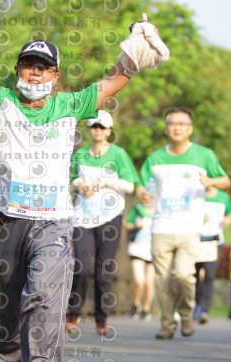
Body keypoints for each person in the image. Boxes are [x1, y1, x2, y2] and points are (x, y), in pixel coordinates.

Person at [0, 0, 169, 361]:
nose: (36, 71)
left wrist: (137, 47)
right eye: (29, 64)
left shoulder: (70, 105)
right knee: (11, 307)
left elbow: (114, 80)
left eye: (43, 66)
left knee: (43, 294)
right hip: (9, 222)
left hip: (53, 224)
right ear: (18, 70)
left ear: (55, 76)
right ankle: (8, 344)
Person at [136, 107, 231, 340]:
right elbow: (142, 185)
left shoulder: (204, 155)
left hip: (189, 227)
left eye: (182, 123)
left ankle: (186, 316)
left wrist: (210, 180)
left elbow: (226, 180)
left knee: (184, 275)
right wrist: (143, 195)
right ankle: (167, 325)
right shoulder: (155, 158)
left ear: (190, 129)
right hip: (161, 228)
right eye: (172, 123)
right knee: (164, 280)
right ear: (166, 128)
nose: (177, 127)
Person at [64, 110, 138, 334]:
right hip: (83, 217)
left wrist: (105, 182)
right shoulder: (80, 155)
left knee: (103, 270)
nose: (97, 130)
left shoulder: (119, 155)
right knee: (82, 267)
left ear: (109, 131)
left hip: (109, 217)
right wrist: (79, 184)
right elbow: (69, 180)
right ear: (89, 130)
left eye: (101, 127)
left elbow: (130, 185)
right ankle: (73, 314)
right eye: (94, 126)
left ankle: (101, 319)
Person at [193, 186, 231, 324]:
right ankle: (195, 305)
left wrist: (228, 219)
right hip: (195, 239)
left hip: (214, 242)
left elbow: (230, 213)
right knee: (194, 275)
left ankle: (205, 309)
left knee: (210, 276)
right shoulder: (196, 194)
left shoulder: (224, 197)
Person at [124, 199, 155, 322]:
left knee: (149, 282)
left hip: (153, 250)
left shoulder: (160, 211)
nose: (147, 198)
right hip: (137, 248)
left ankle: (146, 309)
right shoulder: (137, 209)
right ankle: (136, 304)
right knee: (139, 280)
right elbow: (127, 223)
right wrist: (136, 225)